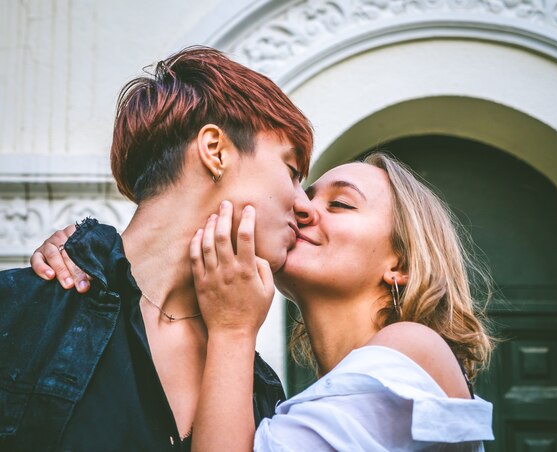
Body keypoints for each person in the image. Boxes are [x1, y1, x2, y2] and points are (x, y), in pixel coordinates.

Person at [35, 154, 495, 450]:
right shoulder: (280, 398)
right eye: (305, 193)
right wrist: (91, 252)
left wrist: (233, 330)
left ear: (402, 265)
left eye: (341, 205)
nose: (303, 208)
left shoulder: (412, 347)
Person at [0, 45, 316, 451]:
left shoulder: (263, 394)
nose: (304, 204)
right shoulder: (19, 311)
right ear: (215, 151)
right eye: (291, 171)